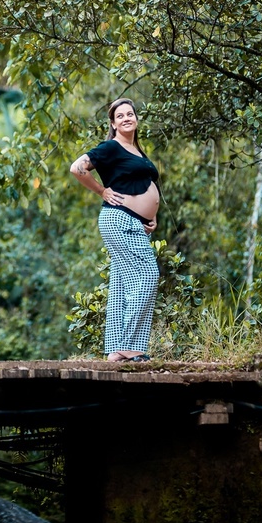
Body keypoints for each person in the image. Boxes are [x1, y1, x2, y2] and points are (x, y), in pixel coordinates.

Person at [69, 98, 161, 362]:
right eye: (120, 116)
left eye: (130, 114)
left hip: (133, 221)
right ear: (113, 123)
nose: (126, 118)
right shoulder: (111, 147)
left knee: (122, 284)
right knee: (147, 275)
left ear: (136, 119)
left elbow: (140, 184)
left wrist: (151, 217)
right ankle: (131, 347)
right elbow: (77, 168)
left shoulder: (136, 150)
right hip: (118, 219)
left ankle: (115, 351)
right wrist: (101, 190)